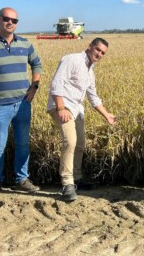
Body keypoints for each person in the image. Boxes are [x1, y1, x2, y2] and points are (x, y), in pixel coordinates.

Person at [0, 7, 42, 194]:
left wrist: (34, 86)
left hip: (22, 104)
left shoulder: (25, 44)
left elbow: (37, 64)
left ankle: (22, 179)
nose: (10, 22)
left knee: (23, 144)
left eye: (14, 20)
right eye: (6, 19)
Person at [47, 38, 116, 202]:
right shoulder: (72, 59)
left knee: (80, 144)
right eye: (98, 50)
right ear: (90, 46)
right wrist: (61, 108)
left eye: (103, 53)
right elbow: (57, 83)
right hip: (62, 105)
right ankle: (67, 184)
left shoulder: (90, 71)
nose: (99, 54)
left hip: (76, 109)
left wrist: (107, 115)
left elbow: (93, 96)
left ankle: (77, 179)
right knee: (70, 141)